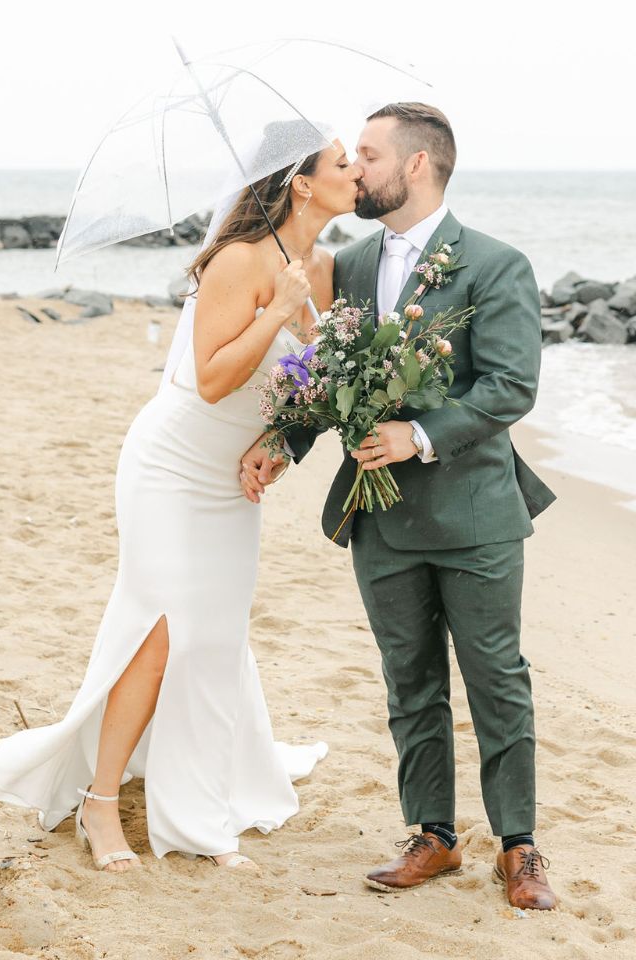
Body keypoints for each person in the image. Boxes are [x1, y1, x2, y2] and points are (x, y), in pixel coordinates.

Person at [0, 125, 361, 872]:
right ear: (303, 184)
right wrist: (279, 310)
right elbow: (214, 377)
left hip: (231, 481)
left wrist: (279, 448)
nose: (356, 171)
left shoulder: (321, 270)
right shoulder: (241, 261)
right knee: (157, 632)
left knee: (215, 638)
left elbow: (301, 394)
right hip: (171, 467)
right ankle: (98, 803)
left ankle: (201, 798)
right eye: (342, 161)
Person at [240, 103, 558, 909]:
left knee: (497, 680)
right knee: (408, 683)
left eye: (370, 156)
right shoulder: (345, 264)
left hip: (476, 516)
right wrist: (283, 440)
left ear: (416, 166)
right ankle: (433, 837)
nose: (356, 170)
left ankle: (519, 846)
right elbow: (331, 373)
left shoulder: (495, 264)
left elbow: (510, 387)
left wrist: (415, 435)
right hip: (378, 521)